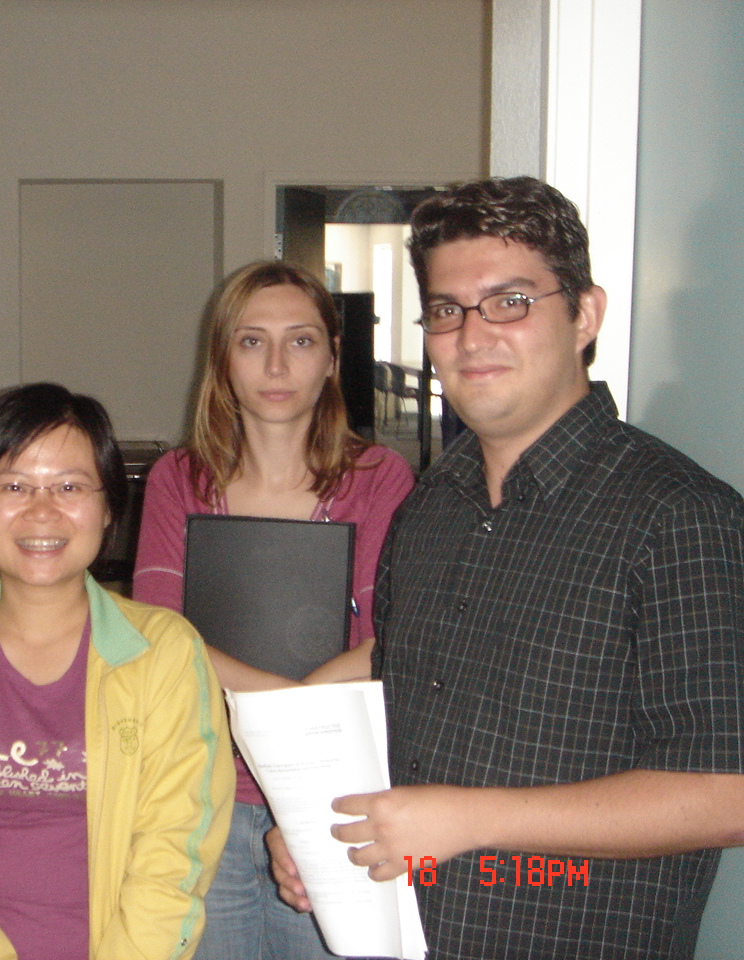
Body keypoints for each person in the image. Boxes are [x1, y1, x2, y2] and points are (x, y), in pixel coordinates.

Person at [269, 176, 744, 960]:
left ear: (584, 314)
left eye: (510, 302)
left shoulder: (679, 517)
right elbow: (408, 705)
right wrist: (329, 831)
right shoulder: (430, 508)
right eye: (447, 310)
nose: (472, 335)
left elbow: (727, 793)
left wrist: (471, 821)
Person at [0, 382, 234, 959]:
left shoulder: (164, 651)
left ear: (108, 507)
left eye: (70, 487)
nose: (41, 511)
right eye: (13, 486)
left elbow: (173, 857)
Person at [131, 259, 414, 959]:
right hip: (202, 798)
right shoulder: (179, 480)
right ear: (222, 360)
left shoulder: (379, 479)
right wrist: (294, 712)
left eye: (301, 341)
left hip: (331, 797)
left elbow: (390, 642)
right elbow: (161, 636)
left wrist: (272, 724)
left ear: (332, 358)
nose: (277, 365)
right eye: (253, 341)